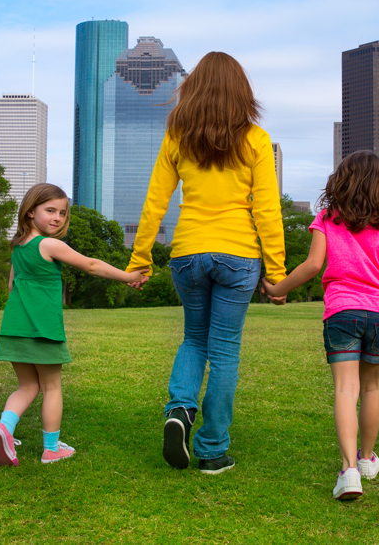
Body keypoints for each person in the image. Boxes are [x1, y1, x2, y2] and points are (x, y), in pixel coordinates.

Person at [125, 52, 287, 475]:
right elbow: (267, 211)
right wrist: (278, 273)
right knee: (225, 350)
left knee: (194, 340)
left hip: (188, 254)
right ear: (242, 91)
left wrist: (140, 257)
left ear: (192, 88)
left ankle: (179, 410)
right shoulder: (255, 138)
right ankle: (212, 449)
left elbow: (155, 201)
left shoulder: (177, 135)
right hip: (238, 256)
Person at [262, 150, 379, 500]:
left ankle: (349, 472)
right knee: (371, 388)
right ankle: (366, 458)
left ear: (341, 182)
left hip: (342, 313)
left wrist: (277, 289)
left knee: (347, 390)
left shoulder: (327, 219)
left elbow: (313, 265)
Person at [0, 183, 147, 467]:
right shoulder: (48, 244)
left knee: (26, 387)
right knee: (51, 388)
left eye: (62, 213)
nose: (58, 218)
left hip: (14, 327)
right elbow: (91, 265)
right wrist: (127, 276)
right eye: (50, 210)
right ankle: (51, 449)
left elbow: (12, 286)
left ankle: (4, 428)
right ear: (29, 213)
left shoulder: (18, 247)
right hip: (43, 329)